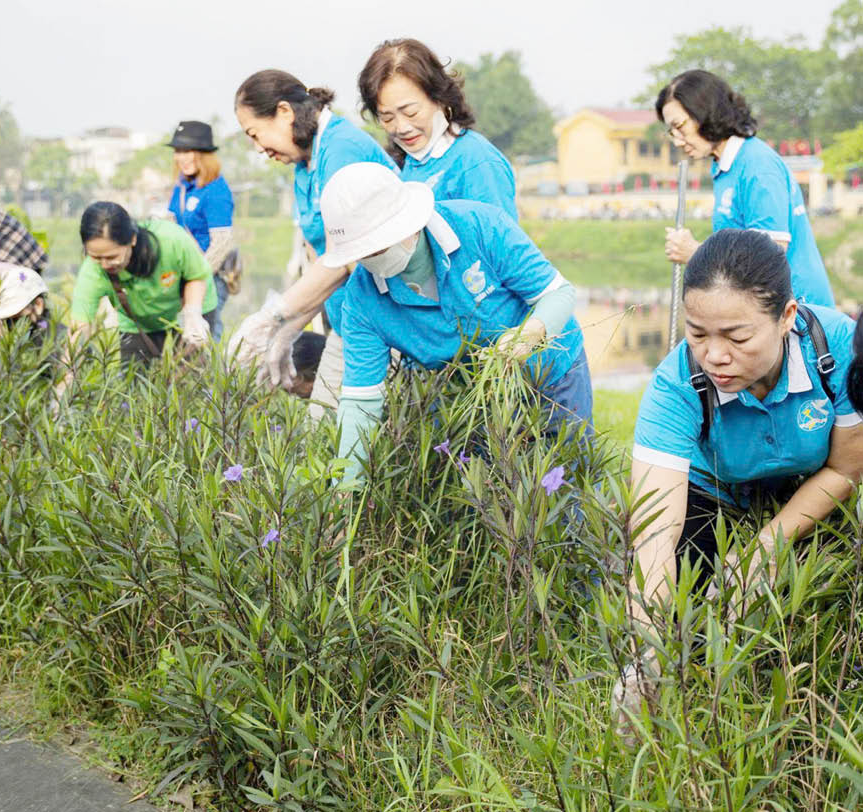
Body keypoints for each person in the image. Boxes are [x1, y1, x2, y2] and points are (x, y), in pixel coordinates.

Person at [616, 229, 863, 730]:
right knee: (694, 614)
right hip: (716, 492)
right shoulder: (673, 386)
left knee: (813, 598)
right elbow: (654, 540)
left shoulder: (835, 349)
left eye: (737, 336)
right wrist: (653, 650)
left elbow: (845, 469)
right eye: (698, 333)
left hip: (810, 482)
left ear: (787, 317)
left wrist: (761, 552)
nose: (715, 356)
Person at [317, 163, 589, 485]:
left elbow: (558, 293)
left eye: (378, 247)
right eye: (362, 254)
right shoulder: (362, 301)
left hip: (552, 377)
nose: (372, 260)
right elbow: (361, 400)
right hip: (473, 402)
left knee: (565, 487)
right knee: (495, 499)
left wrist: (529, 334)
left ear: (406, 223)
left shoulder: (479, 226)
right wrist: (345, 484)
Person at [229, 69, 397, 413]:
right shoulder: (305, 165)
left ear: (285, 113)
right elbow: (317, 256)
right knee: (320, 430)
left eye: (256, 135)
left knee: (367, 434)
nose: (260, 149)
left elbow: (342, 258)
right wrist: (291, 329)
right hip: (348, 321)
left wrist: (272, 316)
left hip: (389, 322)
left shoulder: (341, 150)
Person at [657, 70, 834, 308]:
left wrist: (696, 254)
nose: (677, 140)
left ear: (706, 112)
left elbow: (768, 257)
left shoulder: (756, 164)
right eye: (671, 132)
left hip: (799, 317)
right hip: (759, 311)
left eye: (680, 126)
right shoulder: (723, 166)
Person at [358, 38, 516, 219]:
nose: (401, 128)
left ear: (440, 99)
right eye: (387, 118)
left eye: (411, 112)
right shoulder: (408, 164)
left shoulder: (475, 161)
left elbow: (499, 242)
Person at [68, 201, 217, 365]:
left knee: (194, 373)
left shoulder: (171, 240)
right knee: (134, 379)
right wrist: (68, 373)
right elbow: (80, 326)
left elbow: (196, 277)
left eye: (112, 257)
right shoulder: (92, 271)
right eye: (96, 257)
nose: (104, 265)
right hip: (137, 320)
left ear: (132, 239)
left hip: (189, 306)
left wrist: (193, 313)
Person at [166, 120, 237, 340]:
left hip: (210, 274)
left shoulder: (216, 190)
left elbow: (222, 242)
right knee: (183, 335)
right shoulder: (183, 186)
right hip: (184, 274)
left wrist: (198, 276)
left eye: (188, 151)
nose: (182, 157)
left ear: (204, 154)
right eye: (178, 151)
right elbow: (170, 223)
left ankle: (212, 375)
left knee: (205, 335)